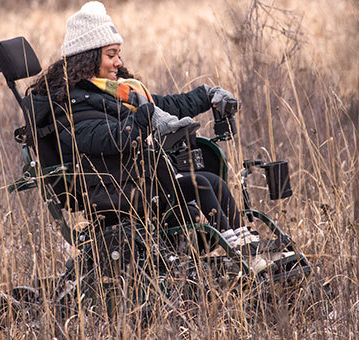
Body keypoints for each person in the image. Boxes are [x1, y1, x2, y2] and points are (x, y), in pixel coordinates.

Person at [27, 1, 242, 232]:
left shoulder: (115, 91)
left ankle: (244, 240)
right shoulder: (71, 105)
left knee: (213, 180)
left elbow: (165, 105)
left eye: (118, 54)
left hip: (136, 179)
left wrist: (207, 95)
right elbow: (104, 138)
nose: (118, 62)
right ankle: (235, 249)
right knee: (200, 183)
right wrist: (141, 119)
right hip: (114, 189)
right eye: (111, 55)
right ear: (88, 59)